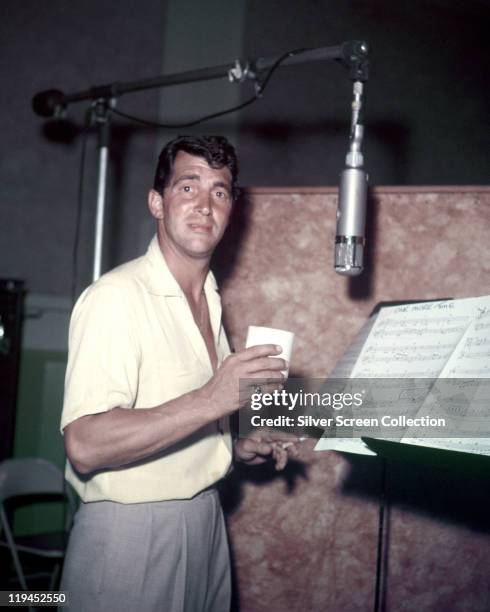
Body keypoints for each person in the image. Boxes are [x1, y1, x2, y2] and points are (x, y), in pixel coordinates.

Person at [59, 135, 299, 611]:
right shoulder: (116, 297)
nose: (205, 205)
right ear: (156, 202)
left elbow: (177, 416)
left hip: (205, 522)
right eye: (188, 188)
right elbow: (85, 445)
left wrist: (230, 443)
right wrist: (214, 400)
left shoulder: (209, 301)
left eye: (220, 192)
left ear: (233, 211)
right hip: (132, 534)